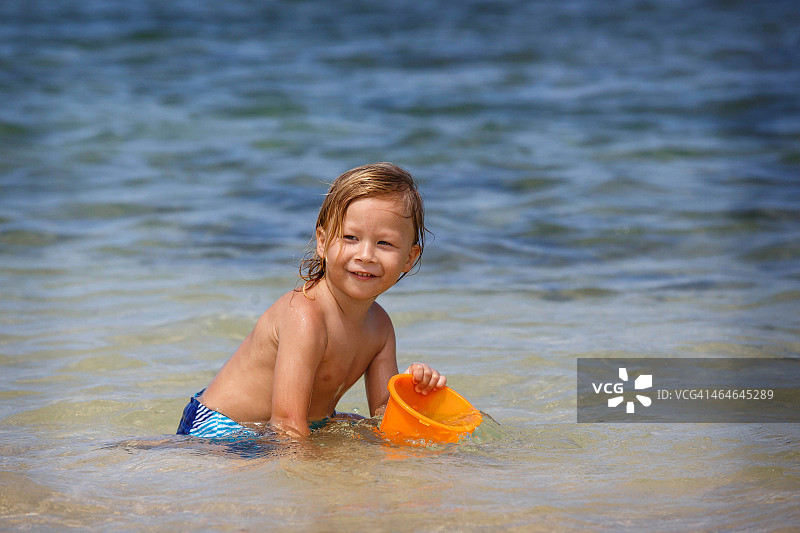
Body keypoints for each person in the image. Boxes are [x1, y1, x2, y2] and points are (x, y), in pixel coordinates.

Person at [177, 162, 446, 439]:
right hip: (222, 428)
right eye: (350, 238)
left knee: (363, 431)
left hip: (294, 425)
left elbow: (383, 417)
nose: (366, 255)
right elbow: (286, 425)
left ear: (410, 258)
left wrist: (414, 393)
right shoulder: (306, 315)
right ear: (322, 241)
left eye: (384, 243)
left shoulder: (380, 326)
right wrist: (315, 479)